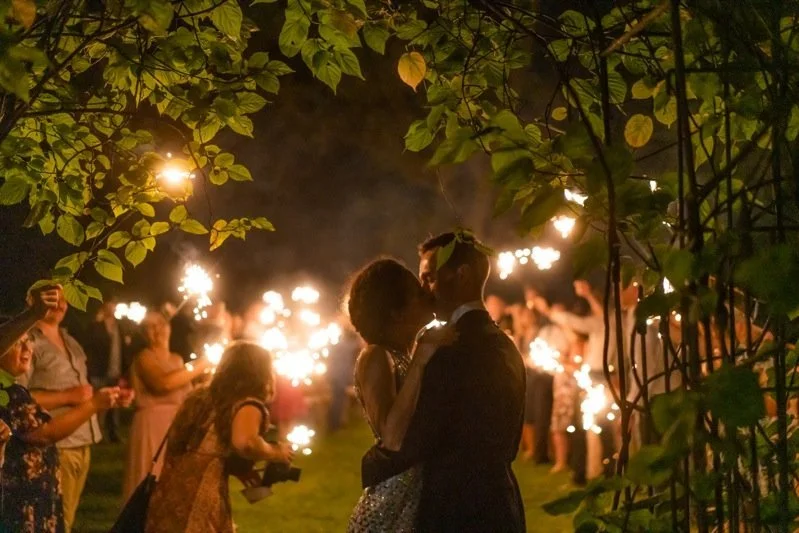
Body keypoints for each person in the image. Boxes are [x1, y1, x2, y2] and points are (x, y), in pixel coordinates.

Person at [361, 232, 527, 532]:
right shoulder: (506, 343)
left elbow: (416, 438)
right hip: (502, 503)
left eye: (429, 278)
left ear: (461, 275)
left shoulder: (451, 350)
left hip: (456, 509)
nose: (424, 289)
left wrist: (371, 465)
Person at [347, 258, 457, 532]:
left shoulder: (402, 353)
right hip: (390, 504)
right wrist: (421, 358)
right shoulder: (376, 356)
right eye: (418, 294)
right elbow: (392, 437)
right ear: (397, 312)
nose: (428, 294)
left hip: (415, 493)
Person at [0, 287, 120, 533]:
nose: (26, 350)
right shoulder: (10, 390)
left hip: (75, 445)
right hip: (28, 481)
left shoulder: (71, 340)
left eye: (65, 299)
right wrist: (85, 402)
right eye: (18, 344)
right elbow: (40, 430)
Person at [145, 342, 295, 532]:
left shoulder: (200, 397)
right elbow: (246, 443)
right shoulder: (247, 404)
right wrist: (276, 452)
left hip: (170, 491)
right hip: (202, 498)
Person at [122, 310, 211, 503]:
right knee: (149, 480)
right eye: (150, 326)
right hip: (151, 426)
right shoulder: (144, 357)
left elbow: (187, 394)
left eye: (161, 324)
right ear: (143, 333)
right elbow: (163, 384)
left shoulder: (177, 360)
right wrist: (201, 365)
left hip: (173, 425)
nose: (157, 330)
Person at [83, 297, 127, 443]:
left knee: (114, 406)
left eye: (114, 304)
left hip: (115, 370)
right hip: (99, 371)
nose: (113, 307)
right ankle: (98, 434)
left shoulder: (119, 326)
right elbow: (90, 345)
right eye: (110, 304)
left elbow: (124, 348)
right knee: (99, 405)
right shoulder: (96, 325)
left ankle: (114, 434)